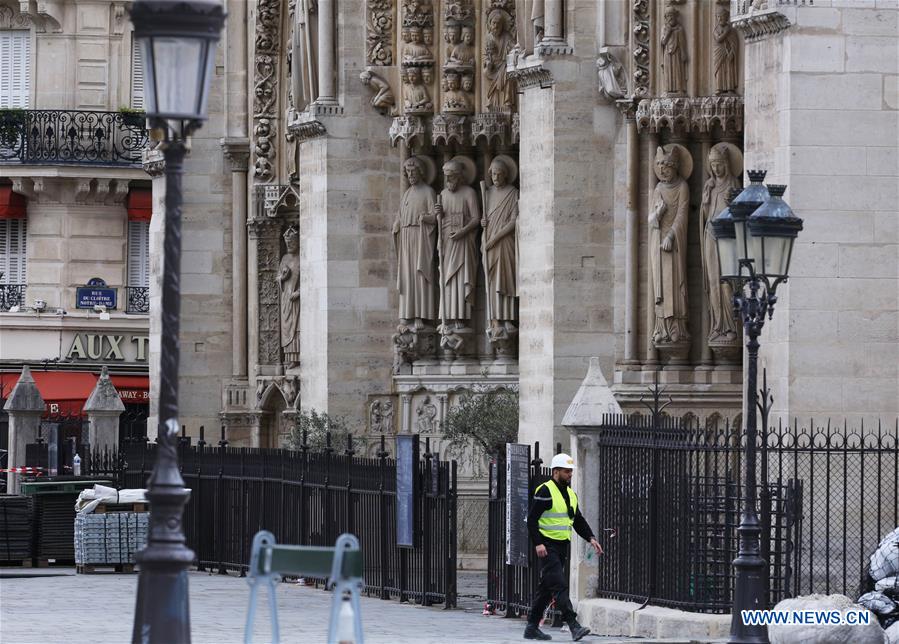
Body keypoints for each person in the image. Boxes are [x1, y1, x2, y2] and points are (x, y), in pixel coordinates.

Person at [524, 453, 602, 641]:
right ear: (555, 471)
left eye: (571, 472)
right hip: (547, 546)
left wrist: (590, 537)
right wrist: (539, 543)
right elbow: (531, 520)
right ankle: (574, 625)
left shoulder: (570, 494)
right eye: (566, 471)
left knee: (546, 589)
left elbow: (578, 520)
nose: (570, 475)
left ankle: (531, 627)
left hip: (561, 547)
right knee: (559, 585)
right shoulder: (545, 491)